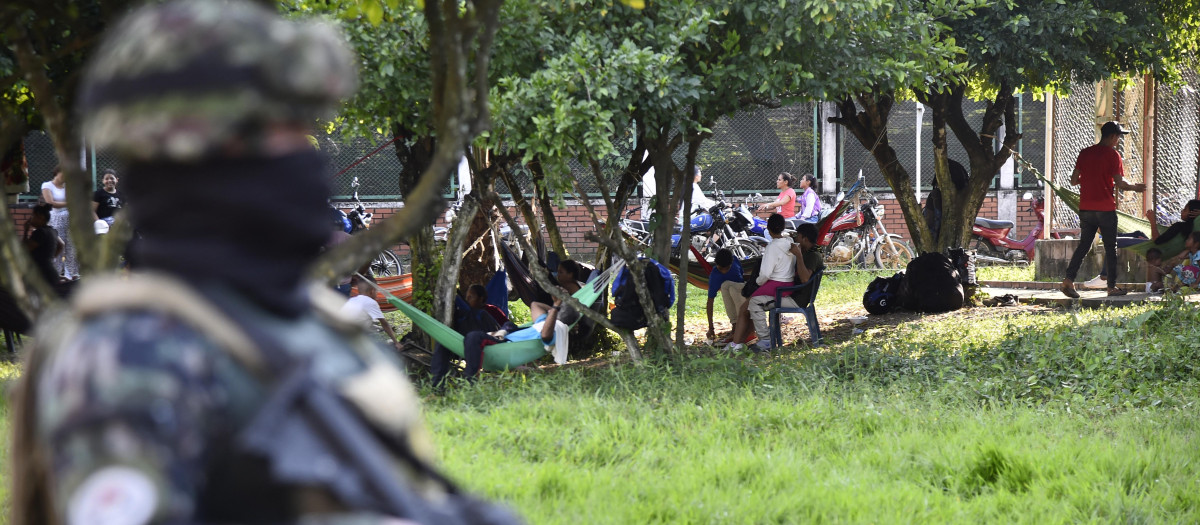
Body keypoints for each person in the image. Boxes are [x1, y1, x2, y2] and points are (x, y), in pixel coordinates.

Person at [10, 2, 519, 523]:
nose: (301, 151)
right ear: (183, 155)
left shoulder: (319, 327)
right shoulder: (125, 358)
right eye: (268, 129)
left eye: (301, 125)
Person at [1062, 121, 1146, 298]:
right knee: (1110, 247)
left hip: (1085, 208)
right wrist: (1136, 188)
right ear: (1113, 136)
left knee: (1084, 245)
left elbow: (1073, 180)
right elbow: (1120, 183)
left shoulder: (1085, 153)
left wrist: (1089, 179)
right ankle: (1111, 287)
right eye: (1118, 137)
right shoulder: (1113, 155)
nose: (1118, 140)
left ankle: (1068, 281)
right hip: (1105, 209)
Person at [729, 222, 823, 351]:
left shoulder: (813, 255)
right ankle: (758, 339)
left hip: (796, 299)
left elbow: (805, 278)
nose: (797, 241)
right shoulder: (811, 252)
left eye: (798, 238)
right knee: (755, 300)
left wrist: (798, 256)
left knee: (755, 302)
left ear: (805, 238)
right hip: (793, 294)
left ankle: (765, 340)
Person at [340, 274, 402, 349]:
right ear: (372, 291)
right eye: (376, 291)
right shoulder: (370, 302)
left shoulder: (351, 300)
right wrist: (396, 342)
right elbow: (384, 324)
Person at [40, 165, 78, 281]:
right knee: (58, 246)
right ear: (57, 172)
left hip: (70, 217)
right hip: (55, 218)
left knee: (71, 247)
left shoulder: (68, 186)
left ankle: (71, 274)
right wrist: (69, 203)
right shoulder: (47, 185)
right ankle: (55, 274)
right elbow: (50, 202)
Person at [705, 248, 745, 343]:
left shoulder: (735, 261)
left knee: (732, 288)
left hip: (744, 293)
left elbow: (743, 276)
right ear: (716, 265)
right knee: (725, 285)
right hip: (730, 291)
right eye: (721, 269)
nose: (723, 271)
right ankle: (735, 325)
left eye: (727, 268)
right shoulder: (715, 275)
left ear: (731, 263)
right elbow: (710, 301)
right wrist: (711, 328)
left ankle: (741, 324)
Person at [23, 203, 64, 286]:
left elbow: (24, 250)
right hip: (50, 272)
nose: (31, 219)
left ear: (40, 217)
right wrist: (49, 259)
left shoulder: (40, 232)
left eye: (33, 216)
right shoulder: (52, 231)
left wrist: (26, 231)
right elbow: (61, 245)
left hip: (42, 274)